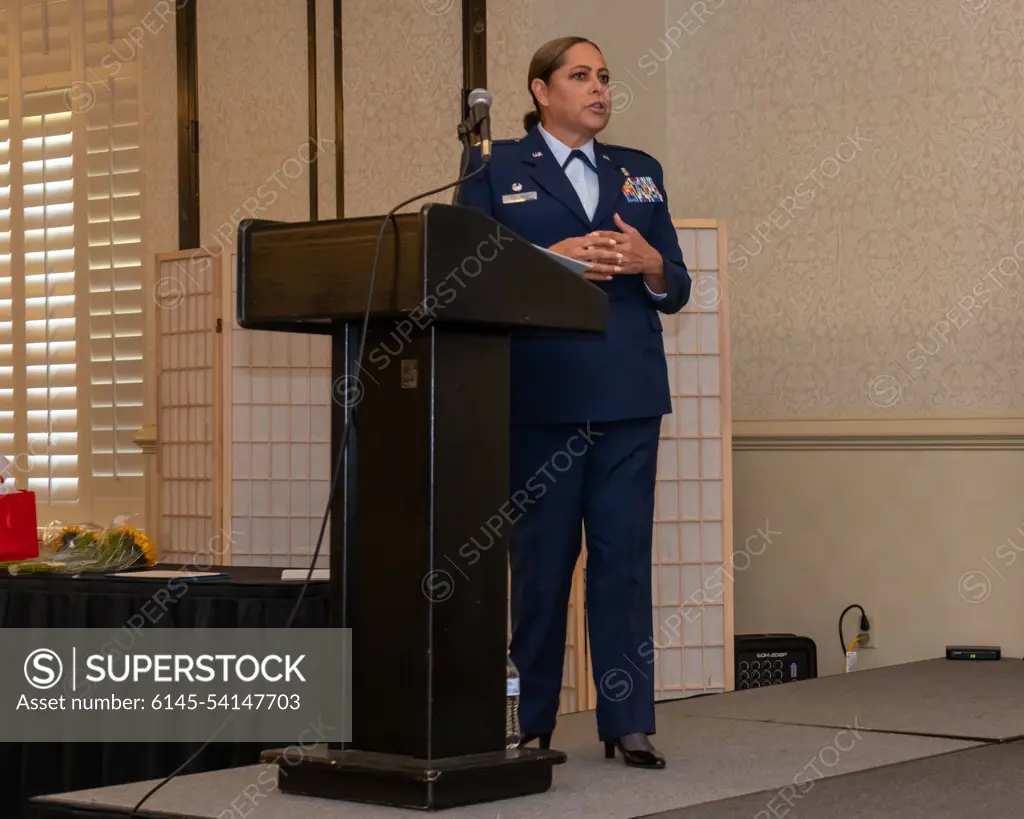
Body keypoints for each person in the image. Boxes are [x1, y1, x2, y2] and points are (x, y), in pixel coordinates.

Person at [457, 35, 691, 769]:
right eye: (580, 76)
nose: (599, 88)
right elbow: (467, 275)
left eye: (605, 77)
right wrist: (551, 262)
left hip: (627, 392)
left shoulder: (640, 172)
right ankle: (531, 720)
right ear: (540, 91)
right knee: (541, 564)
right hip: (540, 394)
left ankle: (629, 723)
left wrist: (653, 265)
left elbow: (676, 284)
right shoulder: (493, 168)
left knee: (623, 561)